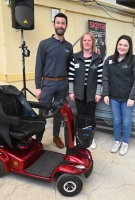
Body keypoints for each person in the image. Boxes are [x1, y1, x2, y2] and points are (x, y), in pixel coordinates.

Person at [34, 13, 73, 149]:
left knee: (59, 113)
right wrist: (38, 87)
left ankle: (56, 137)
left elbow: (70, 68)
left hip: (63, 84)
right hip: (48, 84)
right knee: (42, 113)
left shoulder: (69, 47)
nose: (60, 26)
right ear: (54, 25)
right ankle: (38, 140)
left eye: (63, 23)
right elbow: (39, 66)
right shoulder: (44, 44)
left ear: (66, 26)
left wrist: (69, 86)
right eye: (58, 23)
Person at [102, 35, 135, 156]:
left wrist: (132, 97)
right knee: (116, 120)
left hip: (128, 98)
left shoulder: (134, 60)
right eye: (120, 44)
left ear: (129, 47)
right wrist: (106, 94)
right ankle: (116, 141)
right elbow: (105, 78)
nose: (122, 47)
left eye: (125, 45)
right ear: (117, 45)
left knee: (126, 121)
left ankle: (125, 143)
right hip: (114, 97)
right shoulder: (110, 60)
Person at [68, 32, 103, 150]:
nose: (87, 42)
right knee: (81, 114)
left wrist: (98, 93)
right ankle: (80, 136)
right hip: (79, 92)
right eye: (85, 40)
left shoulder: (98, 58)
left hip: (92, 93)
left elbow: (100, 78)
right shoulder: (75, 57)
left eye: (89, 40)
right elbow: (71, 77)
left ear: (92, 42)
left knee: (91, 115)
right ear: (82, 42)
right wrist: (71, 91)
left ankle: (90, 137)